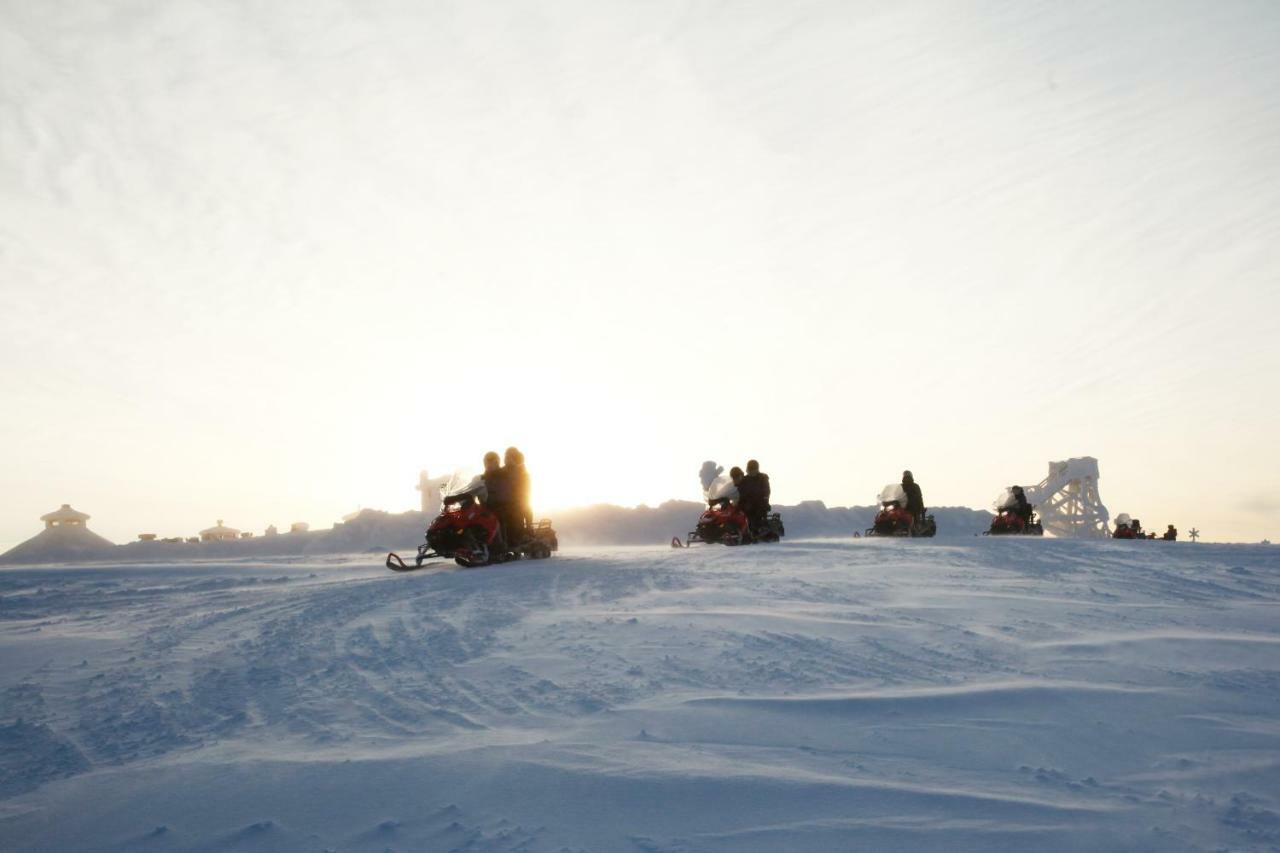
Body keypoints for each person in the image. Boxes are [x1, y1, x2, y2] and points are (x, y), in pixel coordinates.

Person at [481, 451, 513, 546]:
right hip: (488, 505)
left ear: (497, 463)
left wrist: (495, 497)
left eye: (492, 463)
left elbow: (505, 489)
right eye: (487, 463)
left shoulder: (503, 474)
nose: (490, 465)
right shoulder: (483, 477)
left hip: (503, 504)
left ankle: (501, 544)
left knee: (498, 517)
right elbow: (476, 487)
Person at [504, 446, 532, 543]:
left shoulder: (521, 471)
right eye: (506, 457)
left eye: (509, 457)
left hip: (518, 502)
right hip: (505, 501)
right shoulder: (504, 470)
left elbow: (525, 490)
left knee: (519, 513)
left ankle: (522, 536)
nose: (506, 459)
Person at [737, 460, 772, 536]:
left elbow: (766, 490)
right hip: (746, 502)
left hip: (759, 502)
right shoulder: (744, 479)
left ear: (757, 469)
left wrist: (764, 499)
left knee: (755, 513)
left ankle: (756, 530)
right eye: (750, 469)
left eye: (753, 469)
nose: (752, 471)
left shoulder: (762, 478)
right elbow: (738, 489)